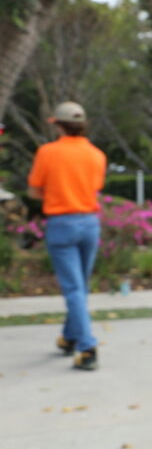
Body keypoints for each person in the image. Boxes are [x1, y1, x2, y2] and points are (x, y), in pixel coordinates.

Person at [27, 101, 107, 371]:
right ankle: (70, 338)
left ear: (58, 125)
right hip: (89, 223)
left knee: (74, 289)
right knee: (80, 287)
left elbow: (35, 191)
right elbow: (95, 187)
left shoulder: (47, 152)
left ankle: (87, 348)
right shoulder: (97, 155)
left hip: (62, 224)